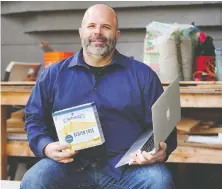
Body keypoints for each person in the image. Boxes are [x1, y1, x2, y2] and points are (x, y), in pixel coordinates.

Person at [21, 4, 177, 189]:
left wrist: (161, 149)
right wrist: (46, 147)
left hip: (128, 169)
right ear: (81, 32)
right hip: (68, 166)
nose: (98, 32)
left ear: (117, 35)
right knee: (34, 180)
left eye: (106, 27)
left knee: (159, 181)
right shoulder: (52, 75)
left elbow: (163, 127)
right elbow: (34, 118)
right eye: (91, 26)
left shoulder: (143, 76)